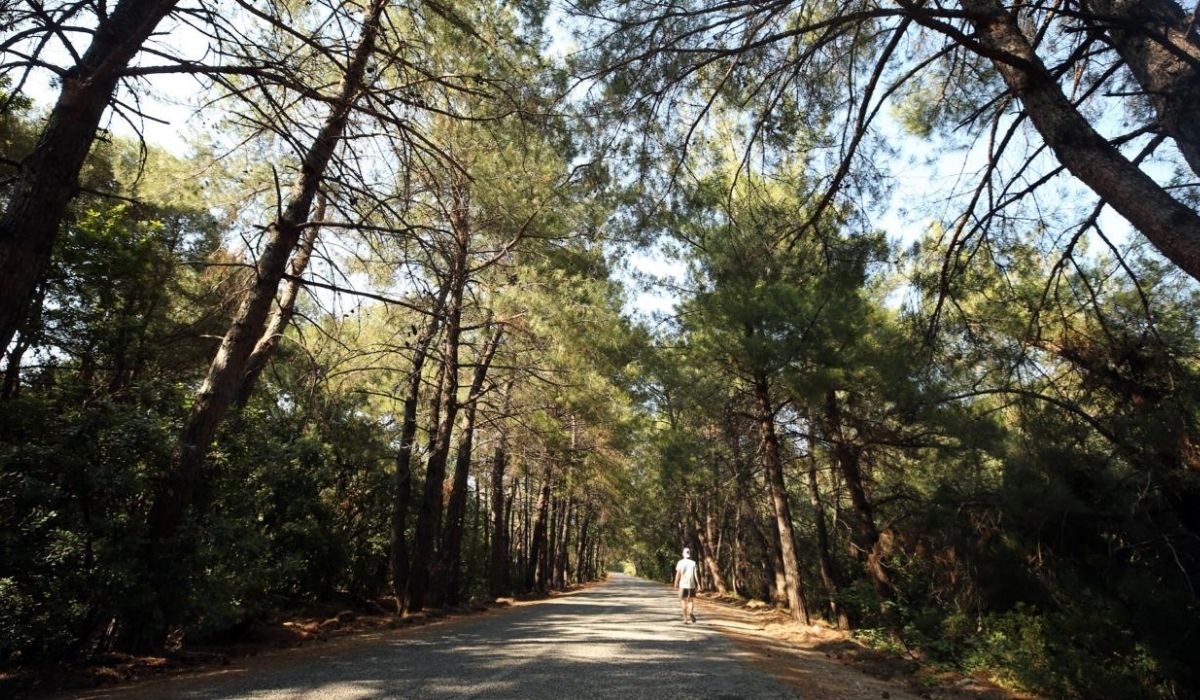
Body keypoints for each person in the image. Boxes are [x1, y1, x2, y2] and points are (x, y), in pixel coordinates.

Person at [673, 547, 699, 623]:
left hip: (683, 585)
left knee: (683, 601)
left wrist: (675, 582)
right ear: (689, 554)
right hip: (691, 584)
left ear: (683, 554)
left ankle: (685, 619)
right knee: (691, 601)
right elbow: (695, 575)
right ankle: (690, 612)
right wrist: (698, 584)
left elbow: (678, 574)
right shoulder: (693, 563)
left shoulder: (680, 562)